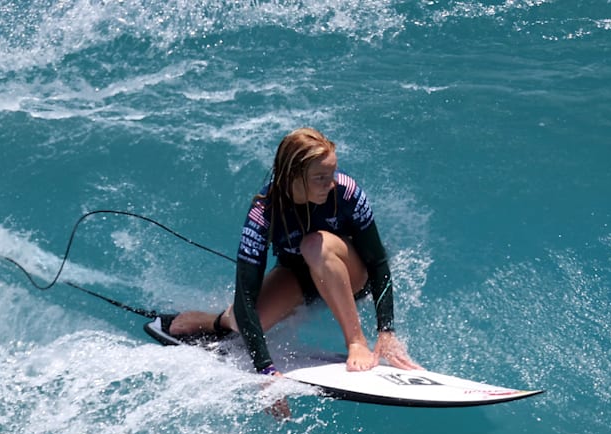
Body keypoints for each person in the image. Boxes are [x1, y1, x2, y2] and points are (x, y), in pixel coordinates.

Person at [145, 127, 422, 378]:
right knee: (248, 322)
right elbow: (245, 295)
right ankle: (214, 320)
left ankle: (356, 341)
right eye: (321, 177)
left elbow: (378, 263)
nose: (332, 183)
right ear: (294, 177)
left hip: (349, 276)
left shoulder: (347, 193)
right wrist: (266, 370)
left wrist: (386, 331)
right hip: (297, 277)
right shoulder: (264, 213)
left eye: (332, 173)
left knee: (314, 244)